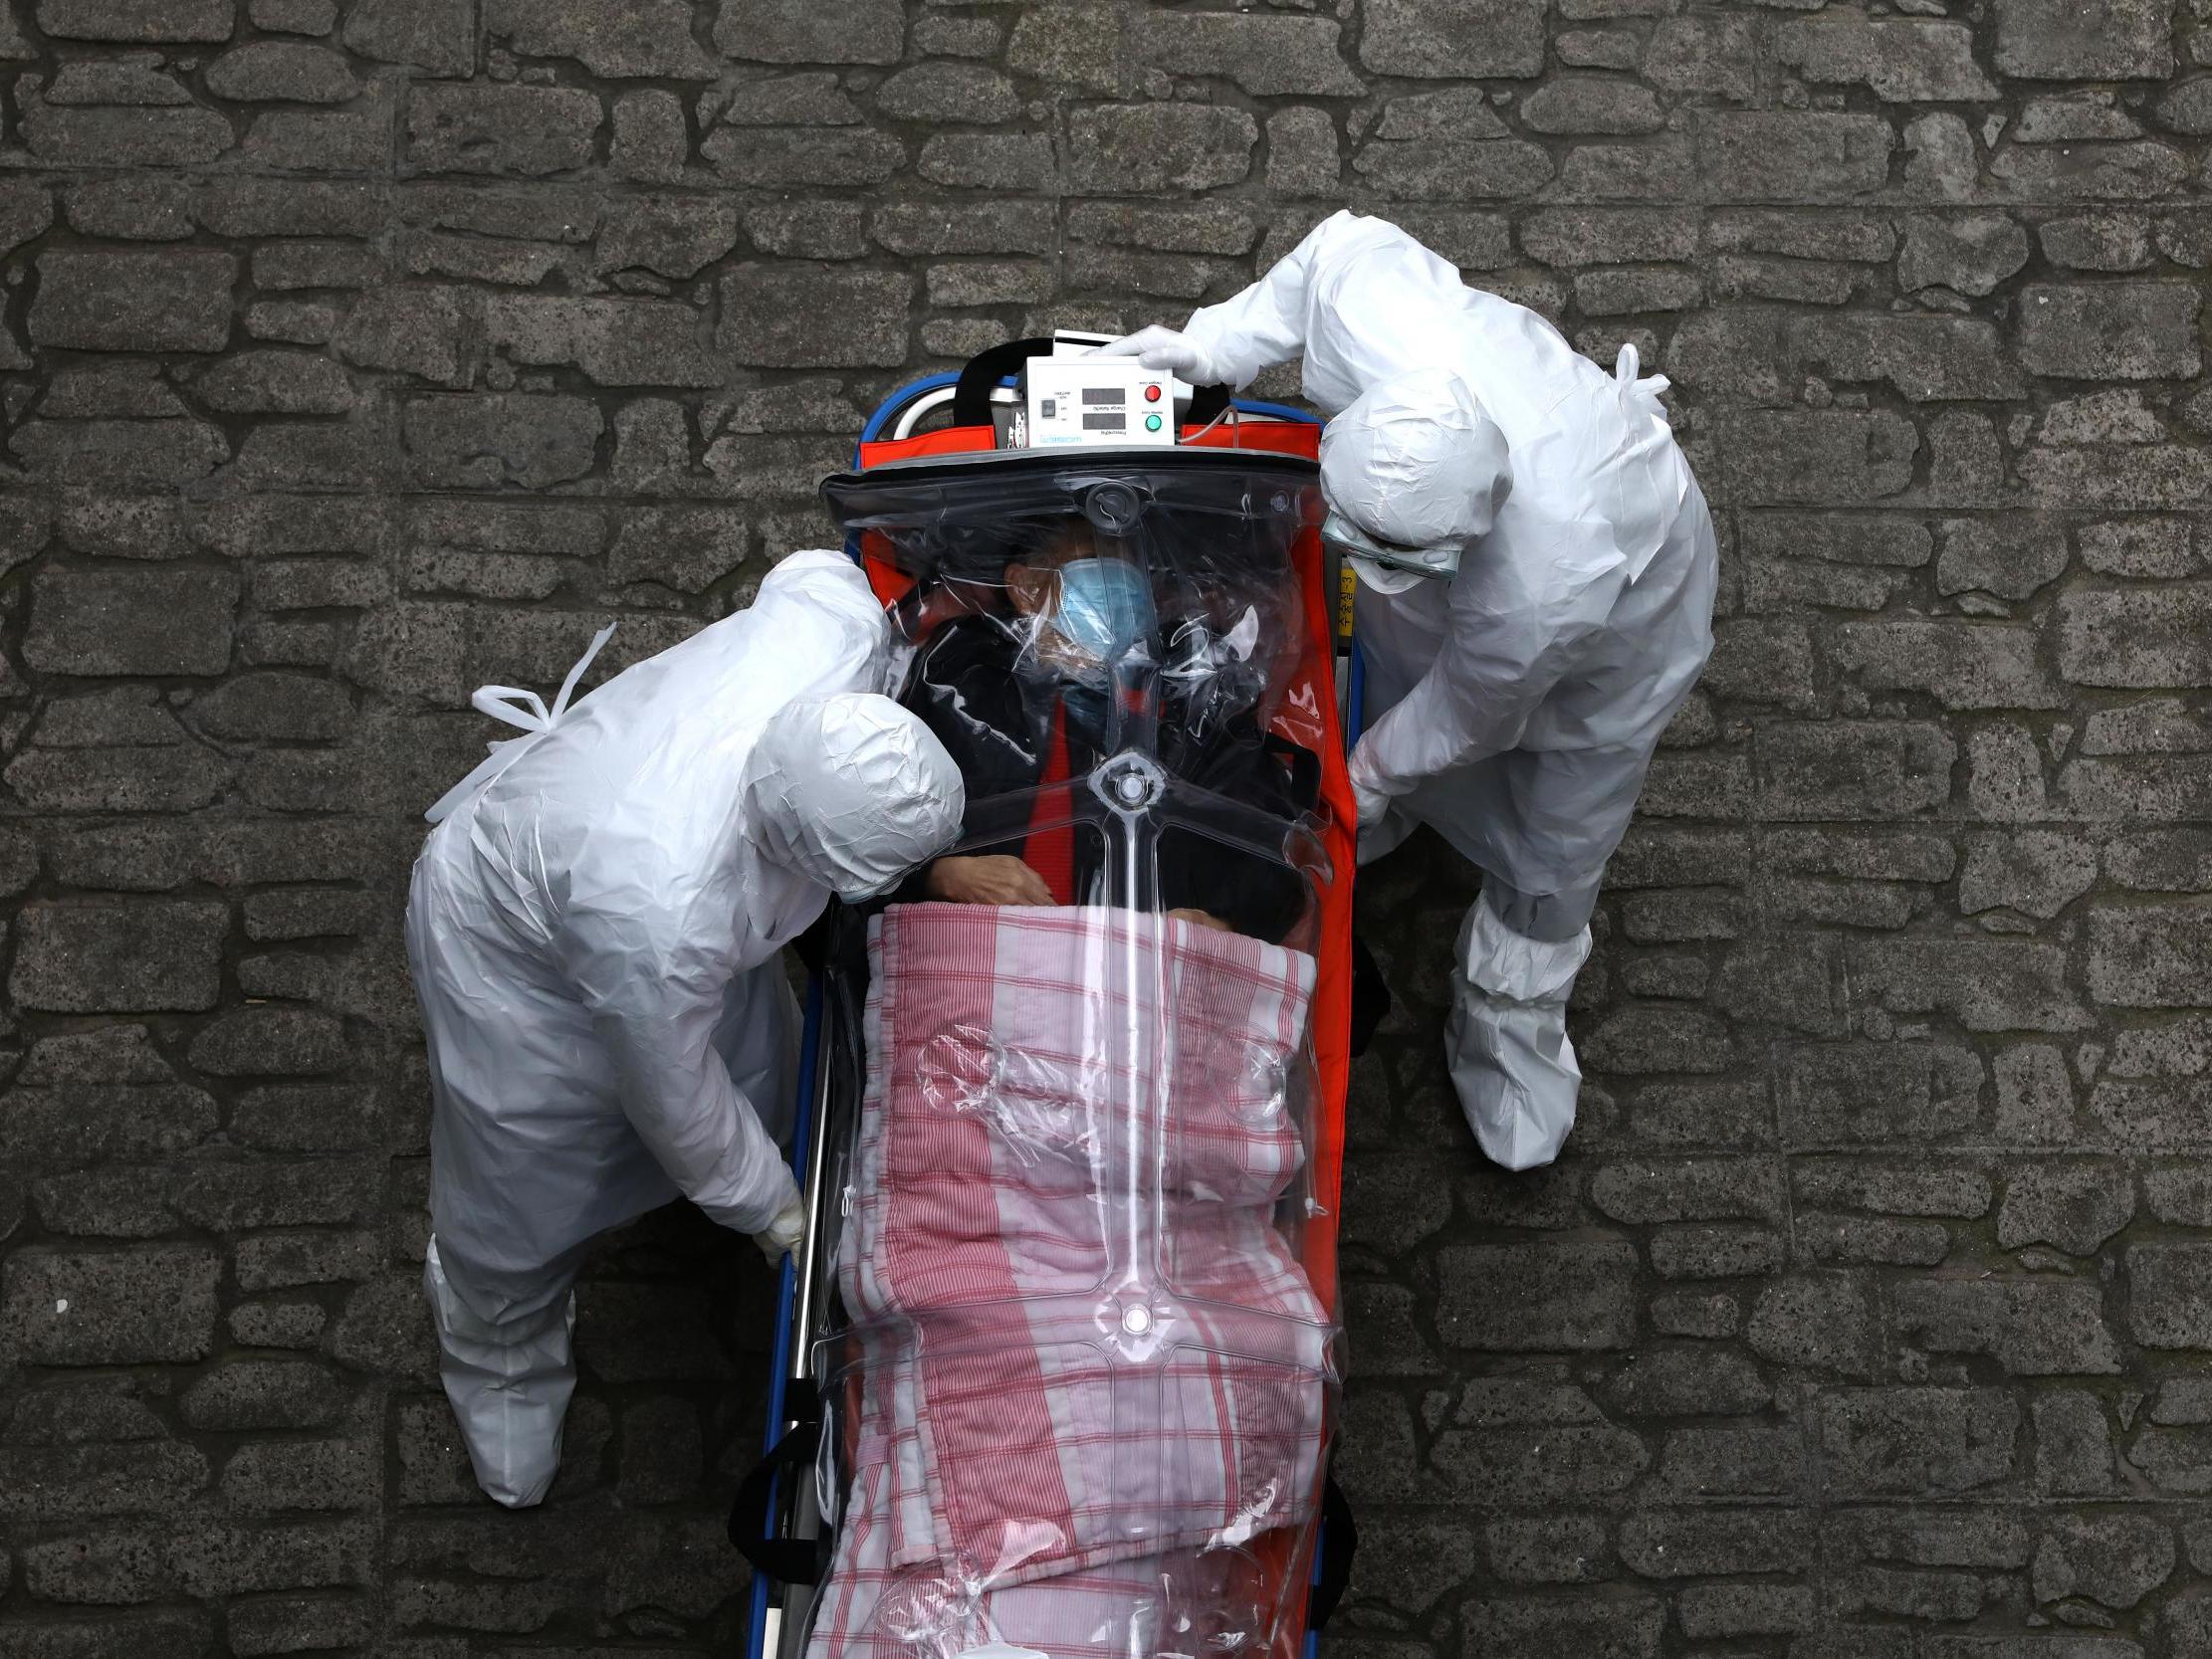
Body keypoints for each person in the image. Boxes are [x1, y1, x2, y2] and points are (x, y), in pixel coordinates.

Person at [1101, 210, 1718, 1171]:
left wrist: (1365, 775)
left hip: (1625, 617)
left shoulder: (1546, 587)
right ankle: (1386, 824)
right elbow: (1320, 262)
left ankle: (1510, 1021)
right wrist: (1207, 343)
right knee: (1388, 665)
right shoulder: (1375, 306)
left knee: (1561, 827)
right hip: (1481, 582)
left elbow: (1467, 714)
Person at [405, 549, 964, 1508]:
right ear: (802, 850)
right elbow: (671, 1093)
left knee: (761, 1066)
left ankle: (766, 1176)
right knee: (521, 1179)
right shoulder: (657, 914)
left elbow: (816, 574)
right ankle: (497, 1344)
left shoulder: (826, 639)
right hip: (509, 953)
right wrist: (769, 1208)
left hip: (640, 888)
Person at [894, 517, 1319, 945]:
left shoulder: (1196, 692)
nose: (1120, 579)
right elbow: (866, 835)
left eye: (1128, 562)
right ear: (1027, 588)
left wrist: (1224, 925)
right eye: (1093, 558)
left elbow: (1277, 862)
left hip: (1152, 984)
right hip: (984, 975)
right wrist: (942, 874)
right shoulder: (963, 681)